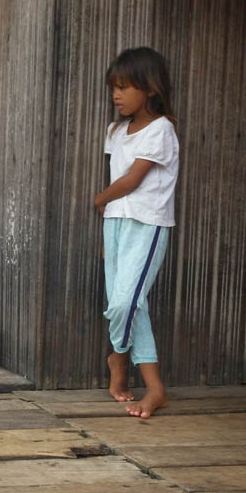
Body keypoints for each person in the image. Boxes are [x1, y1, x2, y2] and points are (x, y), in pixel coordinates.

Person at [94, 47, 179, 419]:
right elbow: (118, 178)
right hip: (115, 224)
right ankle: (155, 388)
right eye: (114, 87)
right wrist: (106, 222)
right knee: (130, 302)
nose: (117, 95)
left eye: (125, 87)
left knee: (124, 303)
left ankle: (118, 358)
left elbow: (131, 180)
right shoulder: (116, 130)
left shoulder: (161, 129)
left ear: (149, 88)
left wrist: (99, 199)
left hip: (147, 224)